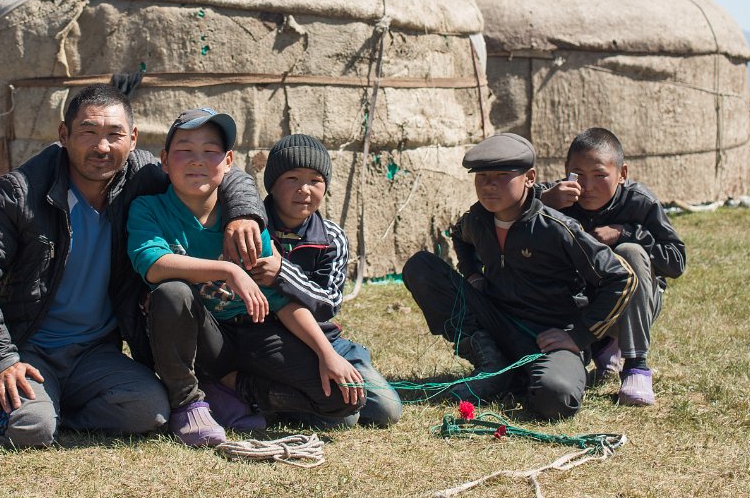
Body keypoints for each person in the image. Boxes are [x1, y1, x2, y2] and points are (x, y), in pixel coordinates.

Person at [0, 84, 267, 447]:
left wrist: (243, 213)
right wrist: (0, 360)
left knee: (149, 412)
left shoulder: (141, 177)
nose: (102, 147)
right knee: (31, 429)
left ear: (133, 139)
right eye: (88, 132)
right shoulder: (23, 191)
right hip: (29, 347)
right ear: (64, 134)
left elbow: (216, 170)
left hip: (95, 352)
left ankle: (50, 408)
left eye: (115, 134)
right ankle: (4, 409)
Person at [126, 109, 365, 447]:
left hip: (255, 332)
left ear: (228, 162)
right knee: (172, 293)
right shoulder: (149, 209)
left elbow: (281, 301)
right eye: (185, 150)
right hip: (203, 339)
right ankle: (188, 403)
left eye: (210, 151)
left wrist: (327, 353)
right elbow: (152, 263)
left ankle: (236, 390)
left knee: (345, 398)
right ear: (164, 160)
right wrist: (229, 269)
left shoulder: (247, 223)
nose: (197, 160)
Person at [402, 132, 636, 420]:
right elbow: (459, 235)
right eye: (482, 176)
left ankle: (516, 377)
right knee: (421, 267)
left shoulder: (556, 228)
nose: (489, 184)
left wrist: (579, 336)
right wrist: (473, 274)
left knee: (556, 398)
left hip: (547, 338)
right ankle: (492, 364)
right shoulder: (478, 220)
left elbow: (621, 278)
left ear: (530, 178)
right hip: (495, 322)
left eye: (502, 175)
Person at [242, 133, 402, 427]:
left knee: (386, 409)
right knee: (343, 419)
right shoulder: (251, 228)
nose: (304, 189)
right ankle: (261, 394)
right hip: (269, 342)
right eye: (292, 178)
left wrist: (282, 273)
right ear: (272, 184)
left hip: (324, 337)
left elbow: (329, 303)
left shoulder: (331, 238)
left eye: (315, 180)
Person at [538, 127, 685, 406]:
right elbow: (508, 205)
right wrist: (543, 202)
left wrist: (626, 234)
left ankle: (636, 365)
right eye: (578, 174)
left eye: (600, 175)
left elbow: (676, 262)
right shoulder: (557, 197)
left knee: (630, 252)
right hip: (577, 306)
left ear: (622, 174)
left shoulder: (640, 202)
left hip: (634, 305)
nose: (588, 186)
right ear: (566, 170)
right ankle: (603, 346)